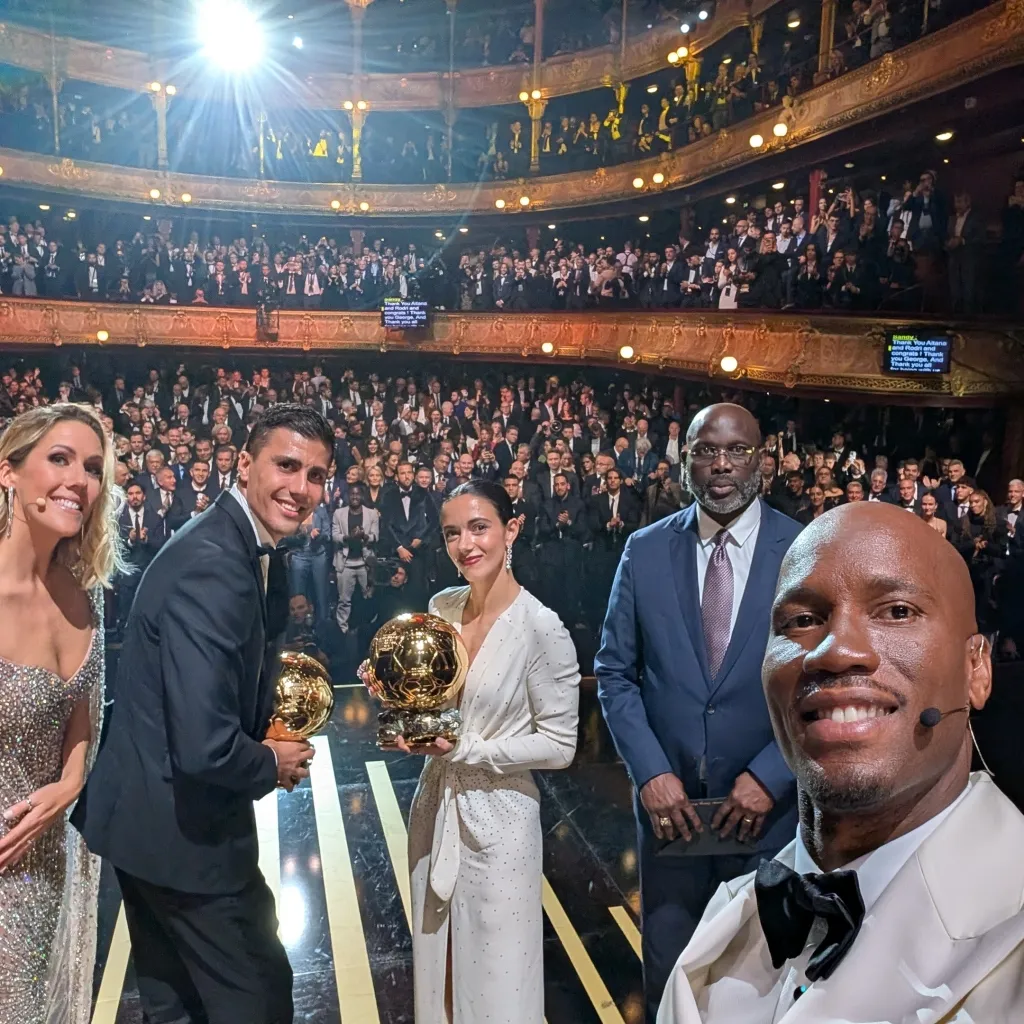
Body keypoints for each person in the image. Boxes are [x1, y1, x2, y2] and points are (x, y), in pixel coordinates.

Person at [657, 502, 1024, 1022]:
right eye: (802, 620)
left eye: (897, 611)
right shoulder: (729, 925)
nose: (834, 651)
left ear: (977, 669)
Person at [71, 404, 334, 1024]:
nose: (301, 488)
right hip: (185, 837)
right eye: (286, 465)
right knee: (256, 999)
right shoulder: (218, 564)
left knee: (178, 1006)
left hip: (149, 825)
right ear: (244, 464)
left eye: (317, 475)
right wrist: (270, 760)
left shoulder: (236, 541)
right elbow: (205, 745)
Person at [596, 403, 802, 1022]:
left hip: (768, 818)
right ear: (685, 461)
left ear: (762, 460)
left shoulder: (804, 550)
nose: (721, 464)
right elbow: (614, 672)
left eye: (737, 450)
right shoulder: (644, 549)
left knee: (761, 982)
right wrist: (652, 774)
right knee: (671, 979)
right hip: (672, 816)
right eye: (706, 451)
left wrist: (771, 775)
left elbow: (818, 682)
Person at [363, 478, 580, 1024]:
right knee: (439, 968)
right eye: (452, 533)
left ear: (512, 529)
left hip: (503, 822)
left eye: (479, 528)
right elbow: (436, 703)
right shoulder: (443, 607)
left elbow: (559, 746)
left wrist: (467, 748)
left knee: (500, 986)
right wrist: (393, 687)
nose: (465, 545)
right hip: (435, 807)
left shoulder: (541, 628)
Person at [0, 404, 124, 1023]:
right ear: (8, 471)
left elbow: (84, 717)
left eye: (93, 468)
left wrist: (71, 782)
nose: (79, 479)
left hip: (51, 863)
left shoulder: (83, 596)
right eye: (59, 459)